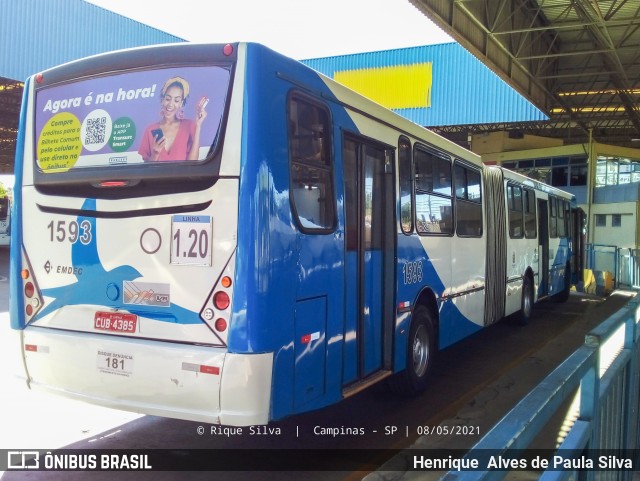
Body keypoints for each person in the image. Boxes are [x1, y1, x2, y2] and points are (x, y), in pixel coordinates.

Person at [138, 77, 208, 162]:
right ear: (162, 100)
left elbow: (192, 163)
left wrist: (198, 126)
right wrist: (155, 153)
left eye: (176, 100)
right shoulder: (150, 130)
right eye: (168, 99)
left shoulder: (189, 125)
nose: (171, 104)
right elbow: (147, 171)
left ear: (181, 103)